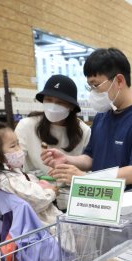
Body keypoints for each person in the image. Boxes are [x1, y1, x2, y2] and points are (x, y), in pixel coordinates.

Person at [42, 48, 132, 190]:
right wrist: (67, 159)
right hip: (103, 201)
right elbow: (91, 158)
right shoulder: (102, 116)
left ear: (119, 81)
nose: (93, 92)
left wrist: (86, 178)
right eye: (90, 87)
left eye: (96, 85)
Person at [15, 75, 91, 210]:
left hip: (72, 200)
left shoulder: (84, 131)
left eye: (60, 102)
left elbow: (88, 166)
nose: (53, 106)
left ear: (72, 106)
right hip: (37, 198)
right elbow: (15, 163)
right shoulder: (27, 125)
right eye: (49, 100)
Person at [0, 120, 61, 226]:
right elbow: (37, 201)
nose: (19, 149)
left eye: (18, 143)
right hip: (41, 228)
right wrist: (51, 192)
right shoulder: (8, 180)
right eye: (13, 146)